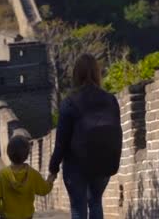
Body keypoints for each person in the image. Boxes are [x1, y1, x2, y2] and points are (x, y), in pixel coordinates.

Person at [48, 54, 123, 219]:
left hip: (76, 166)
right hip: (104, 162)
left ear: (76, 75)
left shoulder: (70, 103)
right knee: (96, 202)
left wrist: (53, 169)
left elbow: (61, 142)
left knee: (78, 207)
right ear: (97, 73)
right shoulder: (111, 100)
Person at [0, 135, 56, 219]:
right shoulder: (33, 174)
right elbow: (44, 189)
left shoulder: (2, 175)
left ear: (8, 153)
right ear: (27, 155)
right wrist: (50, 180)